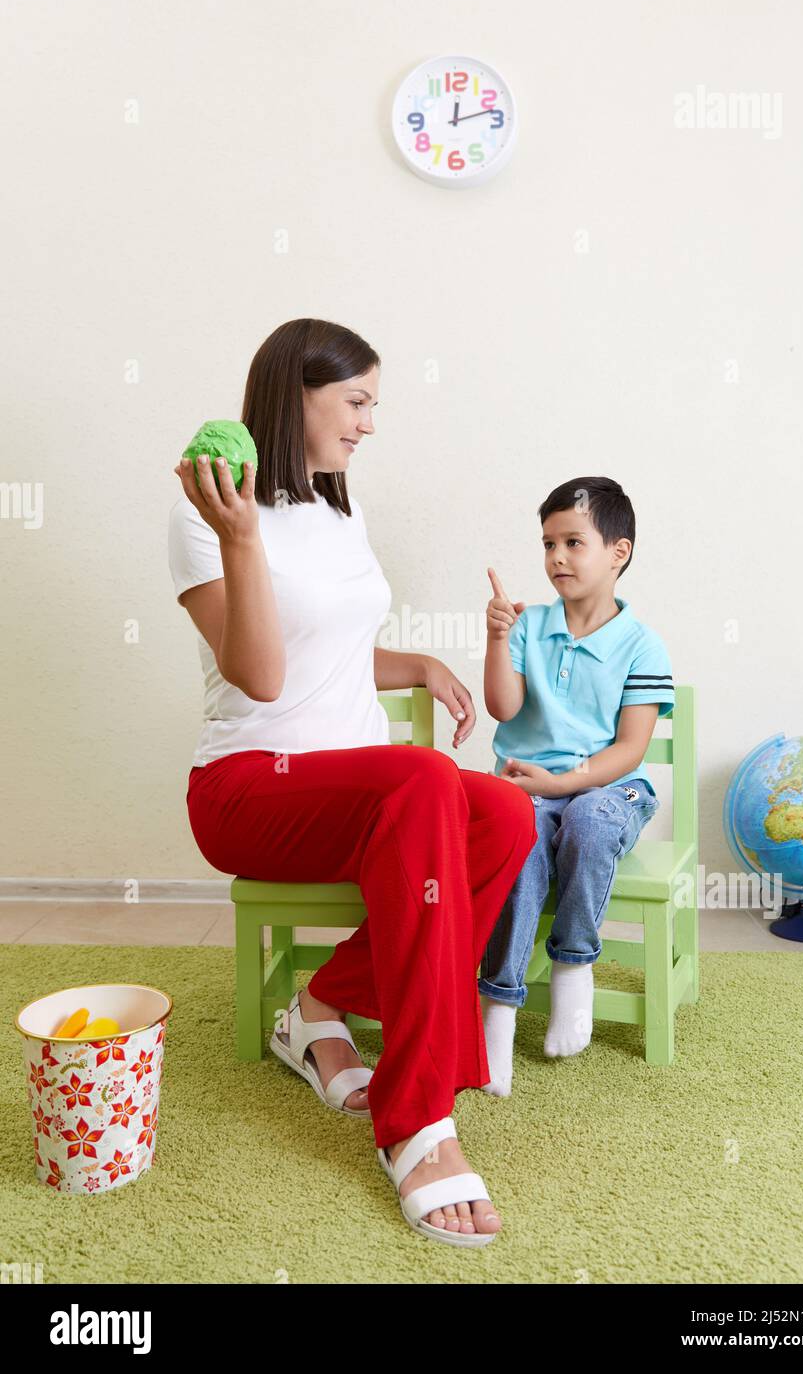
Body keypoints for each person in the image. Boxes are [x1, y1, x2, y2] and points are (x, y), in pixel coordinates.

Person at [167, 317, 536, 1246]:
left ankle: (320, 1004)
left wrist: (414, 664)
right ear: (296, 396)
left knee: (501, 811)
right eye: (357, 403)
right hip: (249, 788)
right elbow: (261, 673)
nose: (370, 424)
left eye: (374, 404)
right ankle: (415, 1117)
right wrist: (241, 535)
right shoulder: (207, 511)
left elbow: (329, 649)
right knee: (421, 781)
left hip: (354, 786)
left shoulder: (340, 506)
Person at [479, 477, 674, 1095]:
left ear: (619, 552)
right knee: (522, 835)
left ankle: (573, 970)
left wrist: (561, 781)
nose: (556, 557)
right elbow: (503, 710)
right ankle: (499, 1009)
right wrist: (498, 639)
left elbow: (629, 750)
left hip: (610, 788)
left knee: (588, 818)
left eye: (572, 542)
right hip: (527, 787)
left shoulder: (643, 645)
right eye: (547, 544)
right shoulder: (530, 626)